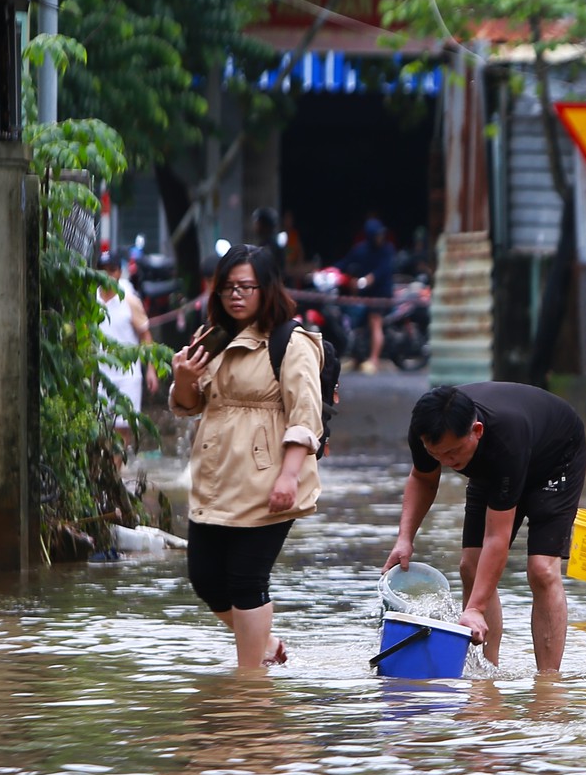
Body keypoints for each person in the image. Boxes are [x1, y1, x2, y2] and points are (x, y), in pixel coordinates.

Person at [168, 245, 326, 670]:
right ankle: (266, 646)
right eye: (226, 288)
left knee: (246, 579)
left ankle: (250, 683)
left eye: (245, 287)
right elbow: (189, 404)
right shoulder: (212, 337)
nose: (235, 296)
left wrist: (289, 477)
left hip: (268, 477)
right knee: (205, 578)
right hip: (215, 474)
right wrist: (183, 378)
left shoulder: (292, 341)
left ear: (267, 288)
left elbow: (305, 417)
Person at [384, 383, 586, 672]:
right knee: (470, 566)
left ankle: (548, 683)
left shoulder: (505, 438)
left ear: (476, 431)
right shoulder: (426, 430)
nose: (447, 462)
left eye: (453, 453)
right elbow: (423, 479)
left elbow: (497, 538)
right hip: (494, 467)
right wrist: (404, 539)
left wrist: (476, 607)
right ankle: (485, 674)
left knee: (542, 570)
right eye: (437, 454)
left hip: (555, 459)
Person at [99, 251, 156, 439]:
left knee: (122, 428)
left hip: (127, 375)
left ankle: (116, 469)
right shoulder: (90, 300)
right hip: (98, 374)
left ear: (119, 272)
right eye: (103, 270)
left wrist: (150, 370)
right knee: (98, 428)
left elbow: (145, 335)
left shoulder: (130, 301)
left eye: (112, 270)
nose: (108, 275)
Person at [336, 216, 395, 374]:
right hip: (364, 297)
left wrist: (368, 280)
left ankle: (374, 360)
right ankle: (356, 358)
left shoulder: (386, 250)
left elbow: (383, 271)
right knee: (358, 326)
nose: (380, 238)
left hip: (381, 295)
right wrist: (330, 271)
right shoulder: (361, 249)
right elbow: (345, 262)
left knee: (375, 322)